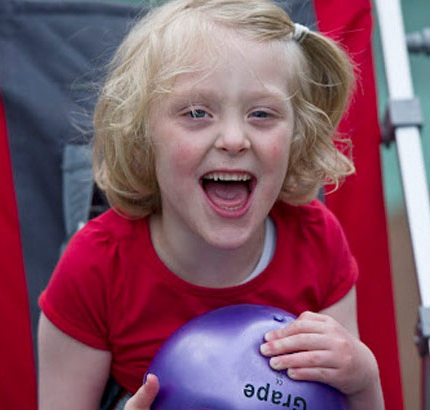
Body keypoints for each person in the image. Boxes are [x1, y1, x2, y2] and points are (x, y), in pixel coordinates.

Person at [37, 0, 385, 409]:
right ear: (142, 134)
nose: (234, 139)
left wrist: (363, 379)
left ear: (297, 135)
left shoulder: (317, 242)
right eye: (197, 112)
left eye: (261, 113)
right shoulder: (95, 268)